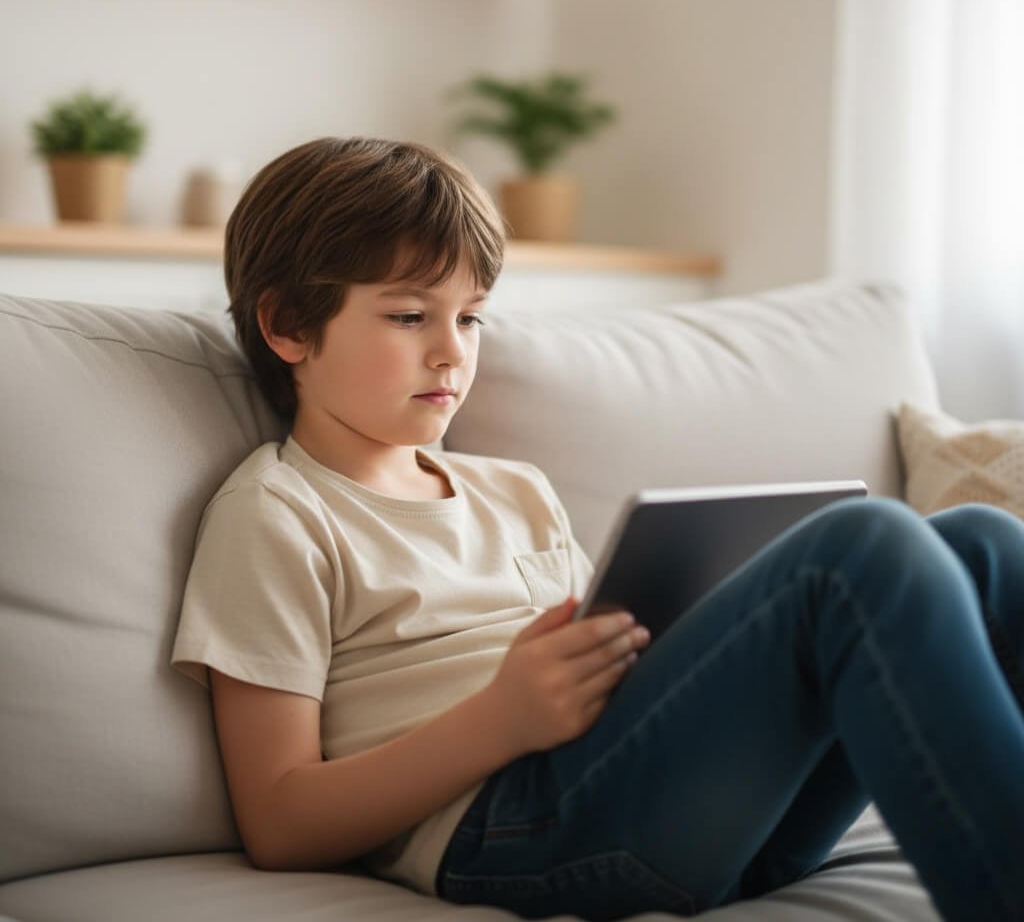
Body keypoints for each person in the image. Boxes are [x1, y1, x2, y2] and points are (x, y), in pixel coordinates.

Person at [171, 136, 1024, 922]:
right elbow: (279, 819)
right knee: (863, 549)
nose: (451, 352)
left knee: (983, 541)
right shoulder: (278, 515)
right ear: (287, 326)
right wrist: (499, 721)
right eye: (408, 317)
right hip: (513, 832)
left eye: (469, 318)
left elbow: (611, 668)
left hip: (690, 812)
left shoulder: (515, 491)